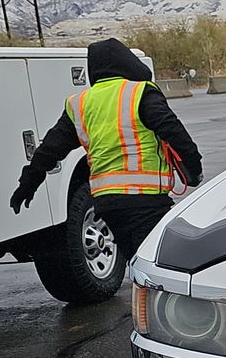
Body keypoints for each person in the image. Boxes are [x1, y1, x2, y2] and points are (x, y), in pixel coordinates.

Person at [10, 38, 203, 259]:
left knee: (139, 261)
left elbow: (50, 149)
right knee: (158, 265)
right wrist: (193, 169)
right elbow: (173, 130)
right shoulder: (139, 92)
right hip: (145, 200)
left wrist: (27, 185)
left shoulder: (80, 103)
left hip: (106, 204)